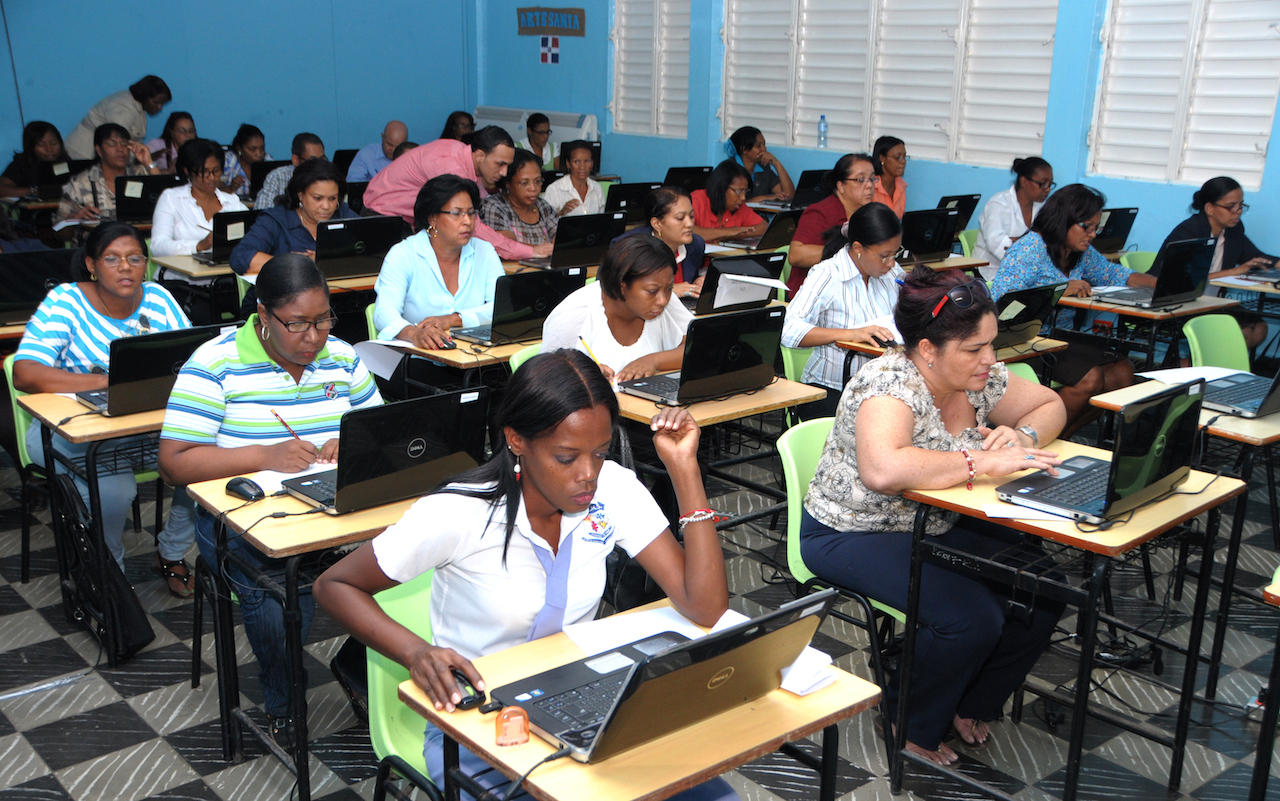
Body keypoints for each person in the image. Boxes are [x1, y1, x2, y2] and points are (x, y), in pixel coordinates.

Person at [313, 349, 735, 801]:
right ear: (517, 439)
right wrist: (415, 652)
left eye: (600, 452)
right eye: (566, 457)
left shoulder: (614, 490)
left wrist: (684, 469)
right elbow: (333, 585)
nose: (588, 475)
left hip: (580, 700)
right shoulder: (461, 512)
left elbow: (705, 607)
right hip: (478, 721)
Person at [801, 266, 1067, 765]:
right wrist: (980, 460)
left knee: (1043, 585)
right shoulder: (890, 385)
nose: (990, 358)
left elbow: (1050, 403)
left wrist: (1024, 436)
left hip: (935, 519)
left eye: (991, 343)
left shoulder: (975, 377)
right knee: (970, 618)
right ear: (927, 349)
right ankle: (910, 721)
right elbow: (884, 469)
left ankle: (971, 701)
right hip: (852, 531)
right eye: (974, 349)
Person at [158, 253, 382, 751]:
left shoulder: (343, 357)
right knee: (277, 590)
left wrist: (356, 442)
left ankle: (355, 662)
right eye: (297, 324)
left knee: (425, 560)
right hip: (243, 520)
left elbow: (381, 432)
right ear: (263, 315)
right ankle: (284, 702)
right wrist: (263, 455)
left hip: (333, 510)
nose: (314, 337)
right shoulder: (215, 363)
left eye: (323, 320)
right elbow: (173, 462)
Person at [14, 222, 196, 594]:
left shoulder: (159, 298)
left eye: (134, 258)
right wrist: (104, 384)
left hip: (145, 428)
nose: (125, 267)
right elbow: (24, 372)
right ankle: (109, 571)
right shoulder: (66, 301)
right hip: (71, 431)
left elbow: (193, 357)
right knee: (114, 492)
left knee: (207, 463)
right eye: (112, 259)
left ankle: (172, 551)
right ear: (91, 265)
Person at [993, 184, 1156, 436]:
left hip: (1061, 338)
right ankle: (1042, 436)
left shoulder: (1081, 252)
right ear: (1063, 220)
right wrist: (1058, 288)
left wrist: (1162, 285)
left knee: (1124, 372)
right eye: (1086, 226)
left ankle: (1062, 433)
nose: (1092, 234)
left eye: (1096, 227)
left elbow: (1115, 274)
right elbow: (1002, 301)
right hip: (1026, 340)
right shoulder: (1030, 248)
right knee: (1091, 378)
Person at [783, 203, 905, 419]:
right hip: (830, 389)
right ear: (858, 248)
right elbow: (789, 331)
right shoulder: (827, 274)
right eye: (885, 255)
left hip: (881, 387)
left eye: (896, 253)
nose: (891, 263)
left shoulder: (889, 271)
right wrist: (850, 334)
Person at [363, 126, 552, 261]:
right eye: (500, 164)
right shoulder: (452, 169)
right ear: (479, 156)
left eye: (507, 166)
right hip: (381, 223)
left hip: (399, 222)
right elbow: (473, 228)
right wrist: (530, 251)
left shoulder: (458, 152)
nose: (504, 173)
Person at [373, 175, 504, 349]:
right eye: (457, 214)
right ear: (432, 218)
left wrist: (452, 319)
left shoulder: (484, 251)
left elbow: (502, 307)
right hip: (418, 356)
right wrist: (415, 334)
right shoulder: (403, 254)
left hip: (475, 352)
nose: (467, 221)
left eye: (471, 213)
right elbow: (384, 313)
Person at [543, 235, 693, 381]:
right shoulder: (574, 315)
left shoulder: (661, 298)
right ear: (621, 286)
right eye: (652, 291)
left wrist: (653, 361)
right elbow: (545, 377)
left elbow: (699, 345)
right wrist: (583, 373)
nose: (663, 300)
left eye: (669, 288)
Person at [1160, 176, 1274, 351]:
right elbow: (1181, 280)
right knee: (1230, 334)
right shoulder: (1189, 231)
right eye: (1231, 206)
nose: (1238, 211)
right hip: (1179, 303)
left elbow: (1258, 257)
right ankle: (1197, 362)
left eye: (1241, 205)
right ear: (1209, 208)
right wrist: (1232, 272)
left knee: (1257, 328)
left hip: (1212, 302)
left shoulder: (1233, 231)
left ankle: (1215, 366)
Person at [231, 158, 358, 276]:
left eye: (332, 198)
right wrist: (297, 265)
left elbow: (372, 246)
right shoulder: (275, 219)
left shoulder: (342, 213)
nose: (326, 206)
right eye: (317, 198)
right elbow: (241, 256)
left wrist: (324, 260)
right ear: (300, 195)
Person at [54, 124, 162, 242]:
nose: (119, 149)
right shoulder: (79, 183)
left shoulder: (140, 174)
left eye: (124, 143)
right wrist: (74, 219)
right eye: (111, 143)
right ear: (99, 150)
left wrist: (149, 162)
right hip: (95, 250)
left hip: (139, 245)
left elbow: (165, 199)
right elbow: (59, 233)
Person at [786, 153, 878, 292]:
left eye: (872, 179)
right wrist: (847, 252)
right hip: (814, 293)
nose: (869, 185)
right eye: (861, 179)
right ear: (840, 185)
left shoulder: (870, 213)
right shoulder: (820, 212)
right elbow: (796, 255)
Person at [150, 139, 248, 256]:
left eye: (216, 171)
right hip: (179, 273)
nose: (212, 178)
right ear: (187, 171)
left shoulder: (232, 203)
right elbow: (158, 246)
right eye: (204, 172)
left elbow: (254, 233)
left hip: (222, 272)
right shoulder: (171, 198)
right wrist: (199, 246)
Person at [613, 186, 707, 300]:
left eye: (691, 216)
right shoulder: (628, 248)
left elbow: (687, 284)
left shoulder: (695, 244)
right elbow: (612, 290)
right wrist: (669, 290)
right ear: (657, 224)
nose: (689, 223)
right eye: (680, 218)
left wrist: (697, 282)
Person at [973, 157, 1055, 281]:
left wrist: (1017, 242)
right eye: (1042, 184)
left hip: (1025, 271)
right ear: (1024, 181)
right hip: (990, 273)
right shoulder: (999, 204)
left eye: (1050, 184)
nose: (1047, 189)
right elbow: (996, 244)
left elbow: (1049, 240)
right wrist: (1029, 245)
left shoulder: (1042, 207)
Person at [64, 76, 171, 160]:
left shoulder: (137, 106)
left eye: (162, 104)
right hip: (83, 154)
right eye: (157, 102)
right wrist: (144, 158)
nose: (159, 107)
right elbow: (119, 143)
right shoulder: (123, 107)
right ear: (145, 96)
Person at [479, 148, 559, 246]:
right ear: (508, 183)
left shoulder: (542, 206)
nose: (533, 188)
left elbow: (560, 241)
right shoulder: (493, 207)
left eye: (538, 181)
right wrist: (542, 250)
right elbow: (505, 245)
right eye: (524, 183)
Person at [690, 160, 766, 244]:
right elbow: (683, 230)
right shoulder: (696, 200)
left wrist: (736, 235)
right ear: (722, 188)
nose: (743, 197)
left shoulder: (739, 207)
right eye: (738, 192)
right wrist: (726, 232)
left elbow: (764, 227)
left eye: (745, 192)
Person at [255, 133, 325, 209]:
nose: (319, 165)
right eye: (313, 161)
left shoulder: (328, 178)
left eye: (322, 159)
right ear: (296, 160)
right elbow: (262, 211)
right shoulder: (277, 177)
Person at [0, 121, 68, 199]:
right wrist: (35, 191)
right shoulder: (21, 164)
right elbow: (2, 189)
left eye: (54, 143)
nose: (49, 149)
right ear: (31, 146)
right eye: (41, 145)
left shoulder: (67, 162)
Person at [725, 126, 794, 202]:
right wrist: (765, 198)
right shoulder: (729, 169)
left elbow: (789, 196)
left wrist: (777, 163)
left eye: (764, 144)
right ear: (744, 149)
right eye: (758, 146)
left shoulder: (764, 167)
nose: (764, 149)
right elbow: (732, 203)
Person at [543, 140, 603, 217]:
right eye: (577, 162)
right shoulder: (555, 190)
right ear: (568, 164)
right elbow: (544, 224)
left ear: (592, 163)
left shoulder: (597, 188)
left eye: (587, 161)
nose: (582, 167)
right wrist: (561, 213)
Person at [221, 124, 270, 197]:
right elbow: (214, 192)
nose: (258, 154)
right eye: (252, 149)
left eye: (262, 149)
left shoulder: (268, 161)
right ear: (239, 148)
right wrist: (231, 188)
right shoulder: (228, 161)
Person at [871, 136, 907, 218]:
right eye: (898, 157)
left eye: (904, 157)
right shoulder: (870, 185)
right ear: (882, 158)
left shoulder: (901, 185)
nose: (903, 162)